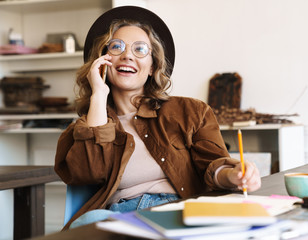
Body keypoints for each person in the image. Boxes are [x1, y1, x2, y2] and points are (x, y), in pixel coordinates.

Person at [54, 6, 261, 230]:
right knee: (86, 223)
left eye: (140, 49)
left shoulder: (191, 112)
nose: (127, 55)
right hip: (121, 218)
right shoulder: (87, 125)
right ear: (102, 61)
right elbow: (87, 173)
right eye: (116, 47)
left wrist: (234, 175)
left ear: (153, 66)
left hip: (177, 211)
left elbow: (213, 166)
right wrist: (98, 95)